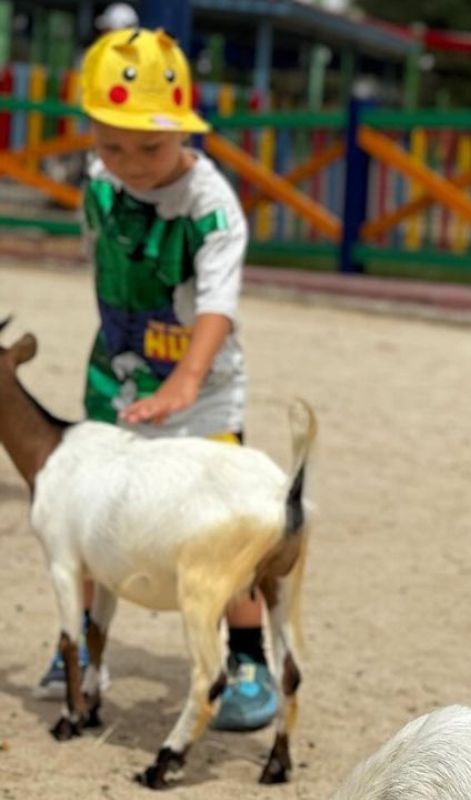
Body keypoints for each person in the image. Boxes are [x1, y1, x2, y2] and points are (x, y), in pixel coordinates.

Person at [33, 27, 277, 733]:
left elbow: (216, 307)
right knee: (88, 517)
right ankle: (77, 646)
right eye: (112, 145)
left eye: (151, 146)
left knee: (223, 529)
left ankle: (247, 658)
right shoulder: (98, 187)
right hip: (119, 380)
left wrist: (186, 382)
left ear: (183, 133)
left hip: (203, 392)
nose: (130, 163)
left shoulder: (211, 207)